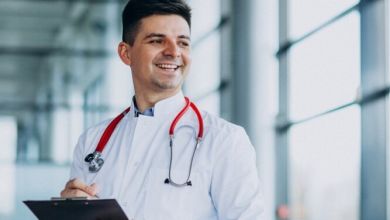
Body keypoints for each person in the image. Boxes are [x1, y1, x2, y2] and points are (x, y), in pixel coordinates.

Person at [60, 0, 264, 219]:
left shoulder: (225, 141)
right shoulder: (92, 141)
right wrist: (69, 212)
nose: (174, 52)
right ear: (126, 53)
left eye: (183, 43)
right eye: (157, 40)